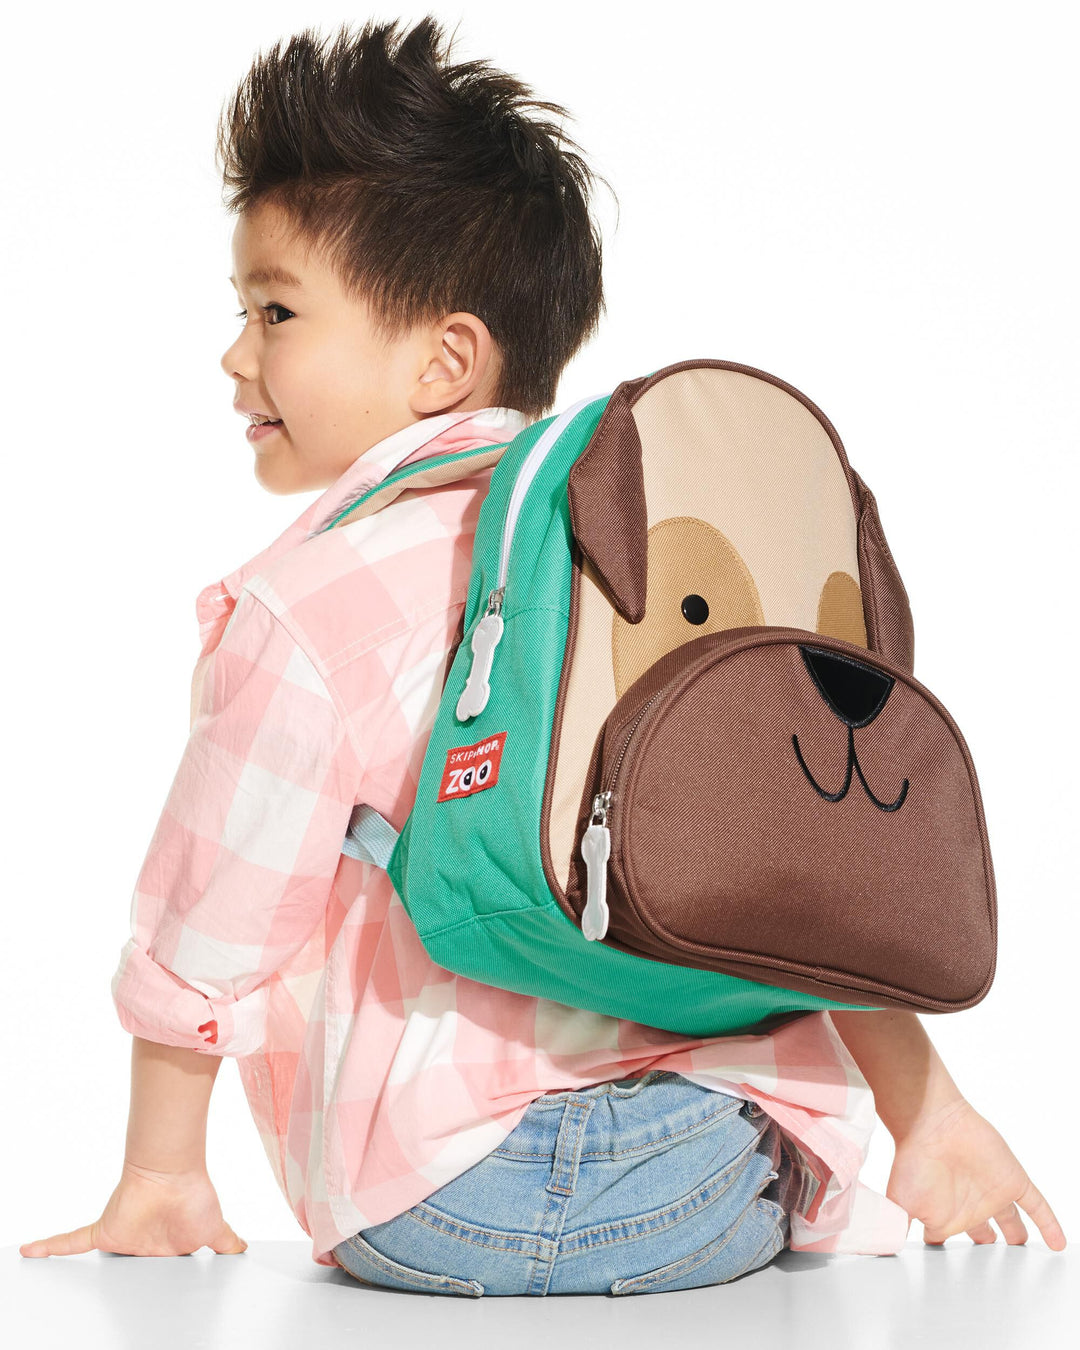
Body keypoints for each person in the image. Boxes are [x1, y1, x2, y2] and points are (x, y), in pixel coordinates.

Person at [19, 15, 1066, 1292]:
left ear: (446, 360)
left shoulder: (317, 598)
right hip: (728, 1166)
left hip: (456, 1191)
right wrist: (933, 1118)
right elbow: (795, 872)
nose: (236, 354)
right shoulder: (642, 547)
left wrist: (162, 1173)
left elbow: (212, 911)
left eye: (274, 310)